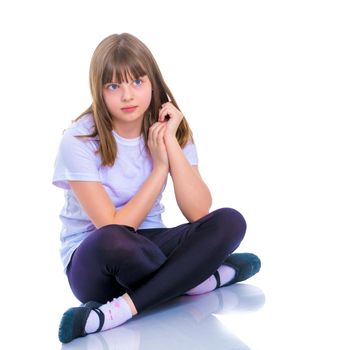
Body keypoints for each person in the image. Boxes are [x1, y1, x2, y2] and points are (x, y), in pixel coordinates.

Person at [52, 33, 261, 344]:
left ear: (153, 82)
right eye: (113, 86)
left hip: (150, 250)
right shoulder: (79, 139)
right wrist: (159, 169)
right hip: (96, 260)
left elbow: (198, 211)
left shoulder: (171, 128)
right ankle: (201, 278)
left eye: (137, 82)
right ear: (99, 90)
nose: (127, 96)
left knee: (230, 221)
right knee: (115, 240)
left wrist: (171, 146)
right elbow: (114, 226)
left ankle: (119, 310)